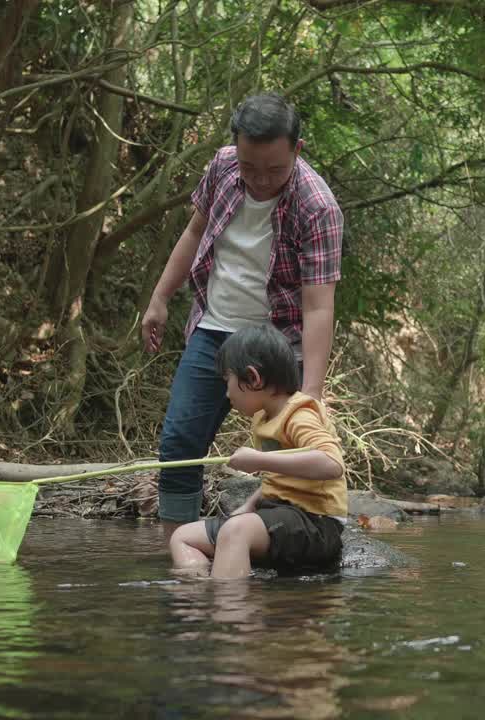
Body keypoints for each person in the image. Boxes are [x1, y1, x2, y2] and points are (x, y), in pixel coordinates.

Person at [141, 93, 344, 542]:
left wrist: (310, 392)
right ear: (237, 149)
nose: (260, 180)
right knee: (179, 445)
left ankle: (293, 540)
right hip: (214, 327)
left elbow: (318, 305)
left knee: (290, 444)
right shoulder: (223, 166)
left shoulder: (318, 208)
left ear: (297, 149)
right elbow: (194, 231)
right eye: (251, 168)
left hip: (278, 341)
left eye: (274, 170)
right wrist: (160, 297)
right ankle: (180, 548)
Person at [169, 324, 347, 579]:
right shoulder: (264, 417)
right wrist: (248, 506)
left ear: (253, 378)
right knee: (183, 537)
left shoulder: (299, 415)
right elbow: (279, 480)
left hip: (316, 524)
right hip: (278, 514)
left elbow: (331, 463)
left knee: (236, 532)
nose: (227, 392)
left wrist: (260, 459)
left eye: (227, 381)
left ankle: (231, 608)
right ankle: (198, 595)